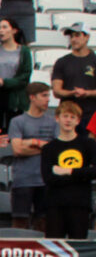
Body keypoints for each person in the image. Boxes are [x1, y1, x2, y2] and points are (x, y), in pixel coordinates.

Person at [41, 100, 96, 238]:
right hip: (55, 205)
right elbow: (49, 178)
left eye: (72, 117)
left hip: (79, 204)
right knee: (55, 248)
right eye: (65, 116)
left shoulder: (88, 144)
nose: (68, 120)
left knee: (78, 246)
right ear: (57, 118)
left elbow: (94, 172)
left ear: (78, 121)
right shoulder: (49, 148)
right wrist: (81, 175)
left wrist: (68, 171)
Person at [7, 84, 56, 228]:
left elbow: (55, 150)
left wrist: (30, 143)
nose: (48, 100)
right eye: (44, 95)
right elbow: (17, 149)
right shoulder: (17, 121)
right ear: (32, 97)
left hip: (46, 180)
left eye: (48, 95)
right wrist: (43, 146)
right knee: (19, 222)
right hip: (23, 179)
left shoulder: (53, 122)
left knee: (43, 223)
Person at [52, 20, 96, 130]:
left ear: (87, 37)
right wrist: (72, 92)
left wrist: (87, 93)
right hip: (68, 117)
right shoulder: (62, 62)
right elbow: (56, 91)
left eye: (77, 35)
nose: (73, 39)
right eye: (71, 36)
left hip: (92, 115)